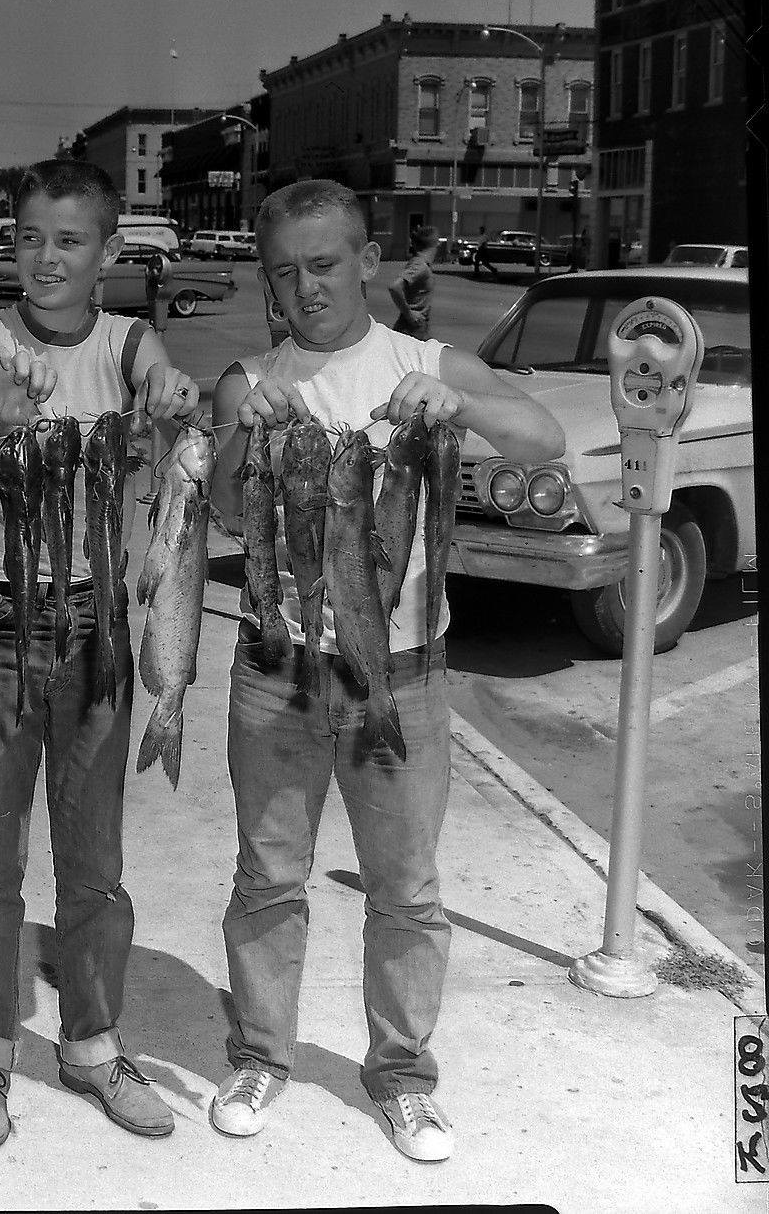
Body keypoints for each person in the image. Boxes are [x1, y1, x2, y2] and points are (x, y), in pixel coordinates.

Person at [206, 179, 563, 1164]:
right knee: (267, 875)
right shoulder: (250, 375)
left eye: (323, 264)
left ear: (365, 260)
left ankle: (401, 1074)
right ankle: (261, 1053)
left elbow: (545, 439)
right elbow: (228, 506)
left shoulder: (424, 359)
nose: (304, 287)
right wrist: (245, 429)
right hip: (276, 670)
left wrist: (464, 401)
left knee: (405, 887)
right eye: (283, 272)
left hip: (400, 671)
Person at [0, 159, 200, 1151]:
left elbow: (165, 391)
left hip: (94, 629)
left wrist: (167, 392)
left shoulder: (125, 341)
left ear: (110, 252)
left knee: (95, 863)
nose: (45, 256)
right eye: (28, 236)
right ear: (6, 243)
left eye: (69, 240)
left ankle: (92, 1041)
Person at [389, 223, 440, 339]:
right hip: (411, 329)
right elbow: (394, 286)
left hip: (417, 327)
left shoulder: (421, 263)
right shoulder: (420, 265)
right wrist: (409, 313)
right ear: (434, 244)